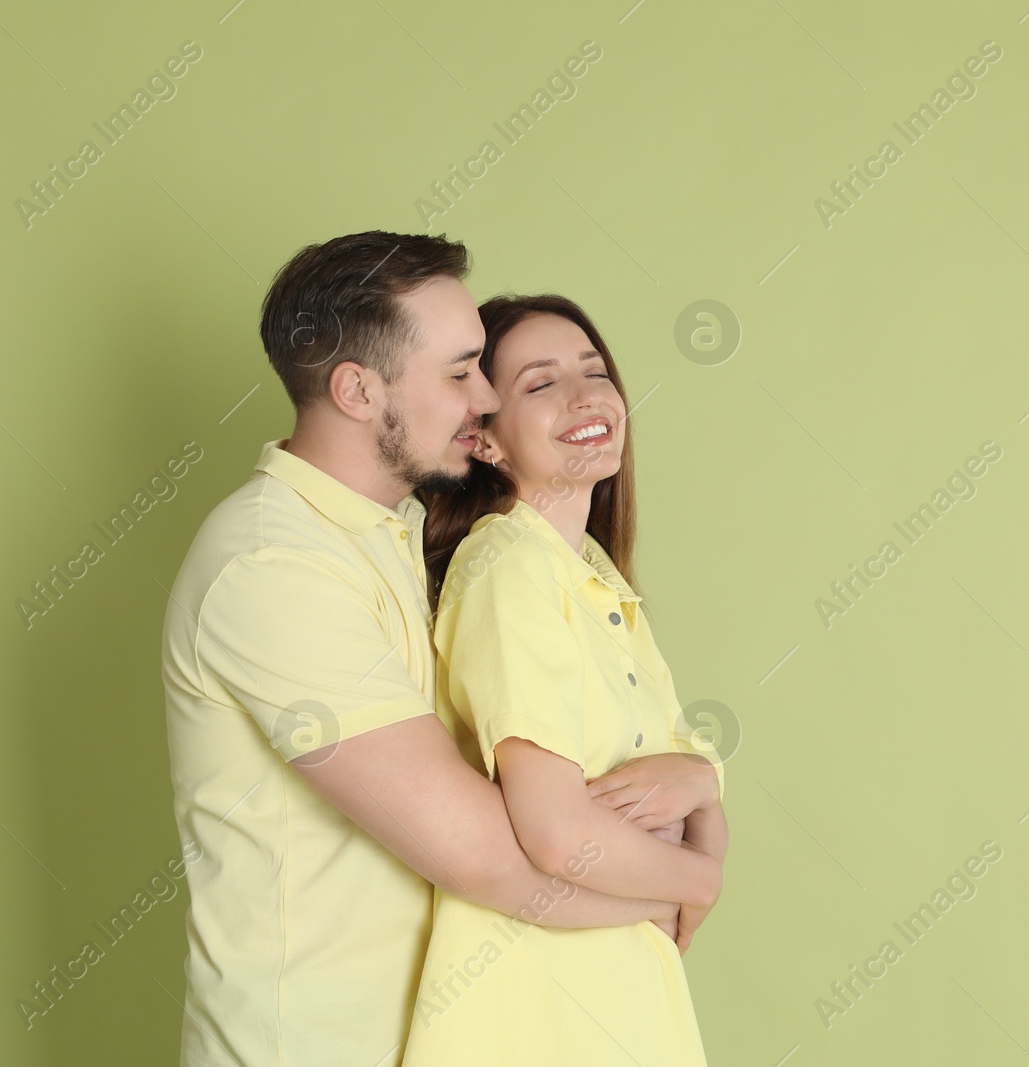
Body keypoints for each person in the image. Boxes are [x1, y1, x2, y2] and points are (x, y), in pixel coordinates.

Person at [161, 232, 722, 1067]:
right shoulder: (272, 566)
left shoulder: (395, 533)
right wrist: (675, 890)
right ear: (356, 390)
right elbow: (489, 853)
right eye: (461, 371)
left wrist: (697, 774)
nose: (487, 397)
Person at [401, 293, 730, 1067]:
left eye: (595, 370)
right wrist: (696, 880)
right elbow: (560, 833)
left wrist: (702, 784)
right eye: (541, 383)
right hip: (535, 1010)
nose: (587, 397)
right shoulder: (508, 568)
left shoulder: (596, 580)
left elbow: (691, 791)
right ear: (484, 438)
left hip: (621, 998)